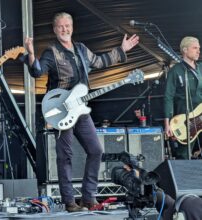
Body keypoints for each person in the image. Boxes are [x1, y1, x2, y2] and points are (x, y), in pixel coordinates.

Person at [23, 12, 139, 212]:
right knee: (64, 155)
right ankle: (69, 201)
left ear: (72, 27)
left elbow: (100, 61)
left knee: (96, 150)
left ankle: (88, 197)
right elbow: (37, 72)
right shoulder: (51, 52)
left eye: (68, 25)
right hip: (61, 111)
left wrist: (121, 49)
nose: (65, 29)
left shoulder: (81, 49)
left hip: (81, 111)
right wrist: (31, 53)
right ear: (55, 29)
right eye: (61, 26)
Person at [164, 36, 202, 159]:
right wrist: (167, 122)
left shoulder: (201, 68)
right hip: (185, 120)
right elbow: (168, 97)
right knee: (184, 156)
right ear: (185, 50)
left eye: (199, 48)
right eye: (195, 48)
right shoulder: (176, 71)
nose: (198, 51)